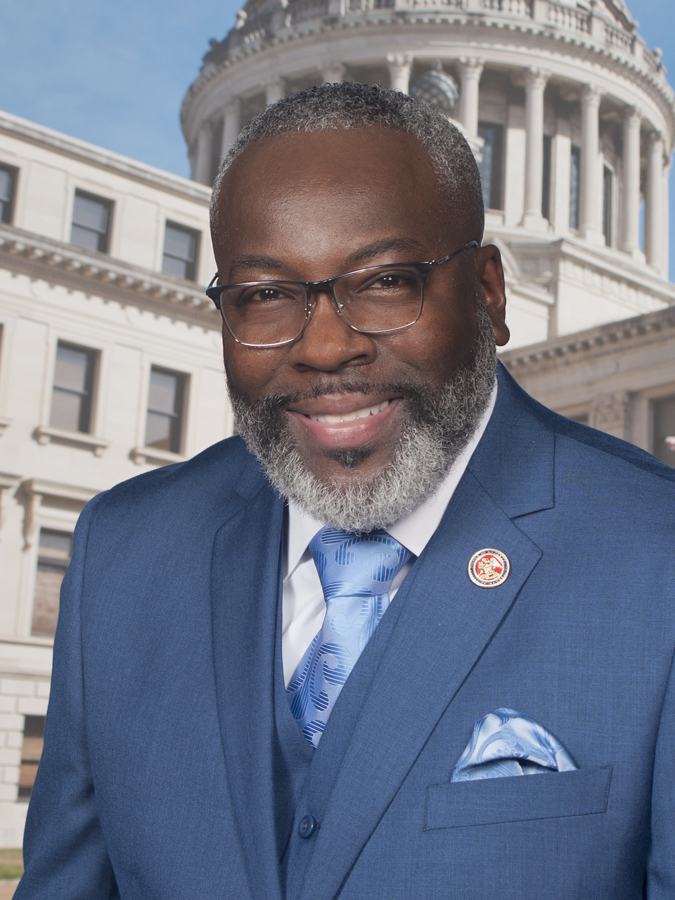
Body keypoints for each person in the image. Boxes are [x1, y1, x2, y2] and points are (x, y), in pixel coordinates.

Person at [15, 83, 675, 900]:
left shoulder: (658, 559)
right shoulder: (125, 552)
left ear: (489, 293)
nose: (325, 347)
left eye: (386, 282)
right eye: (263, 295)